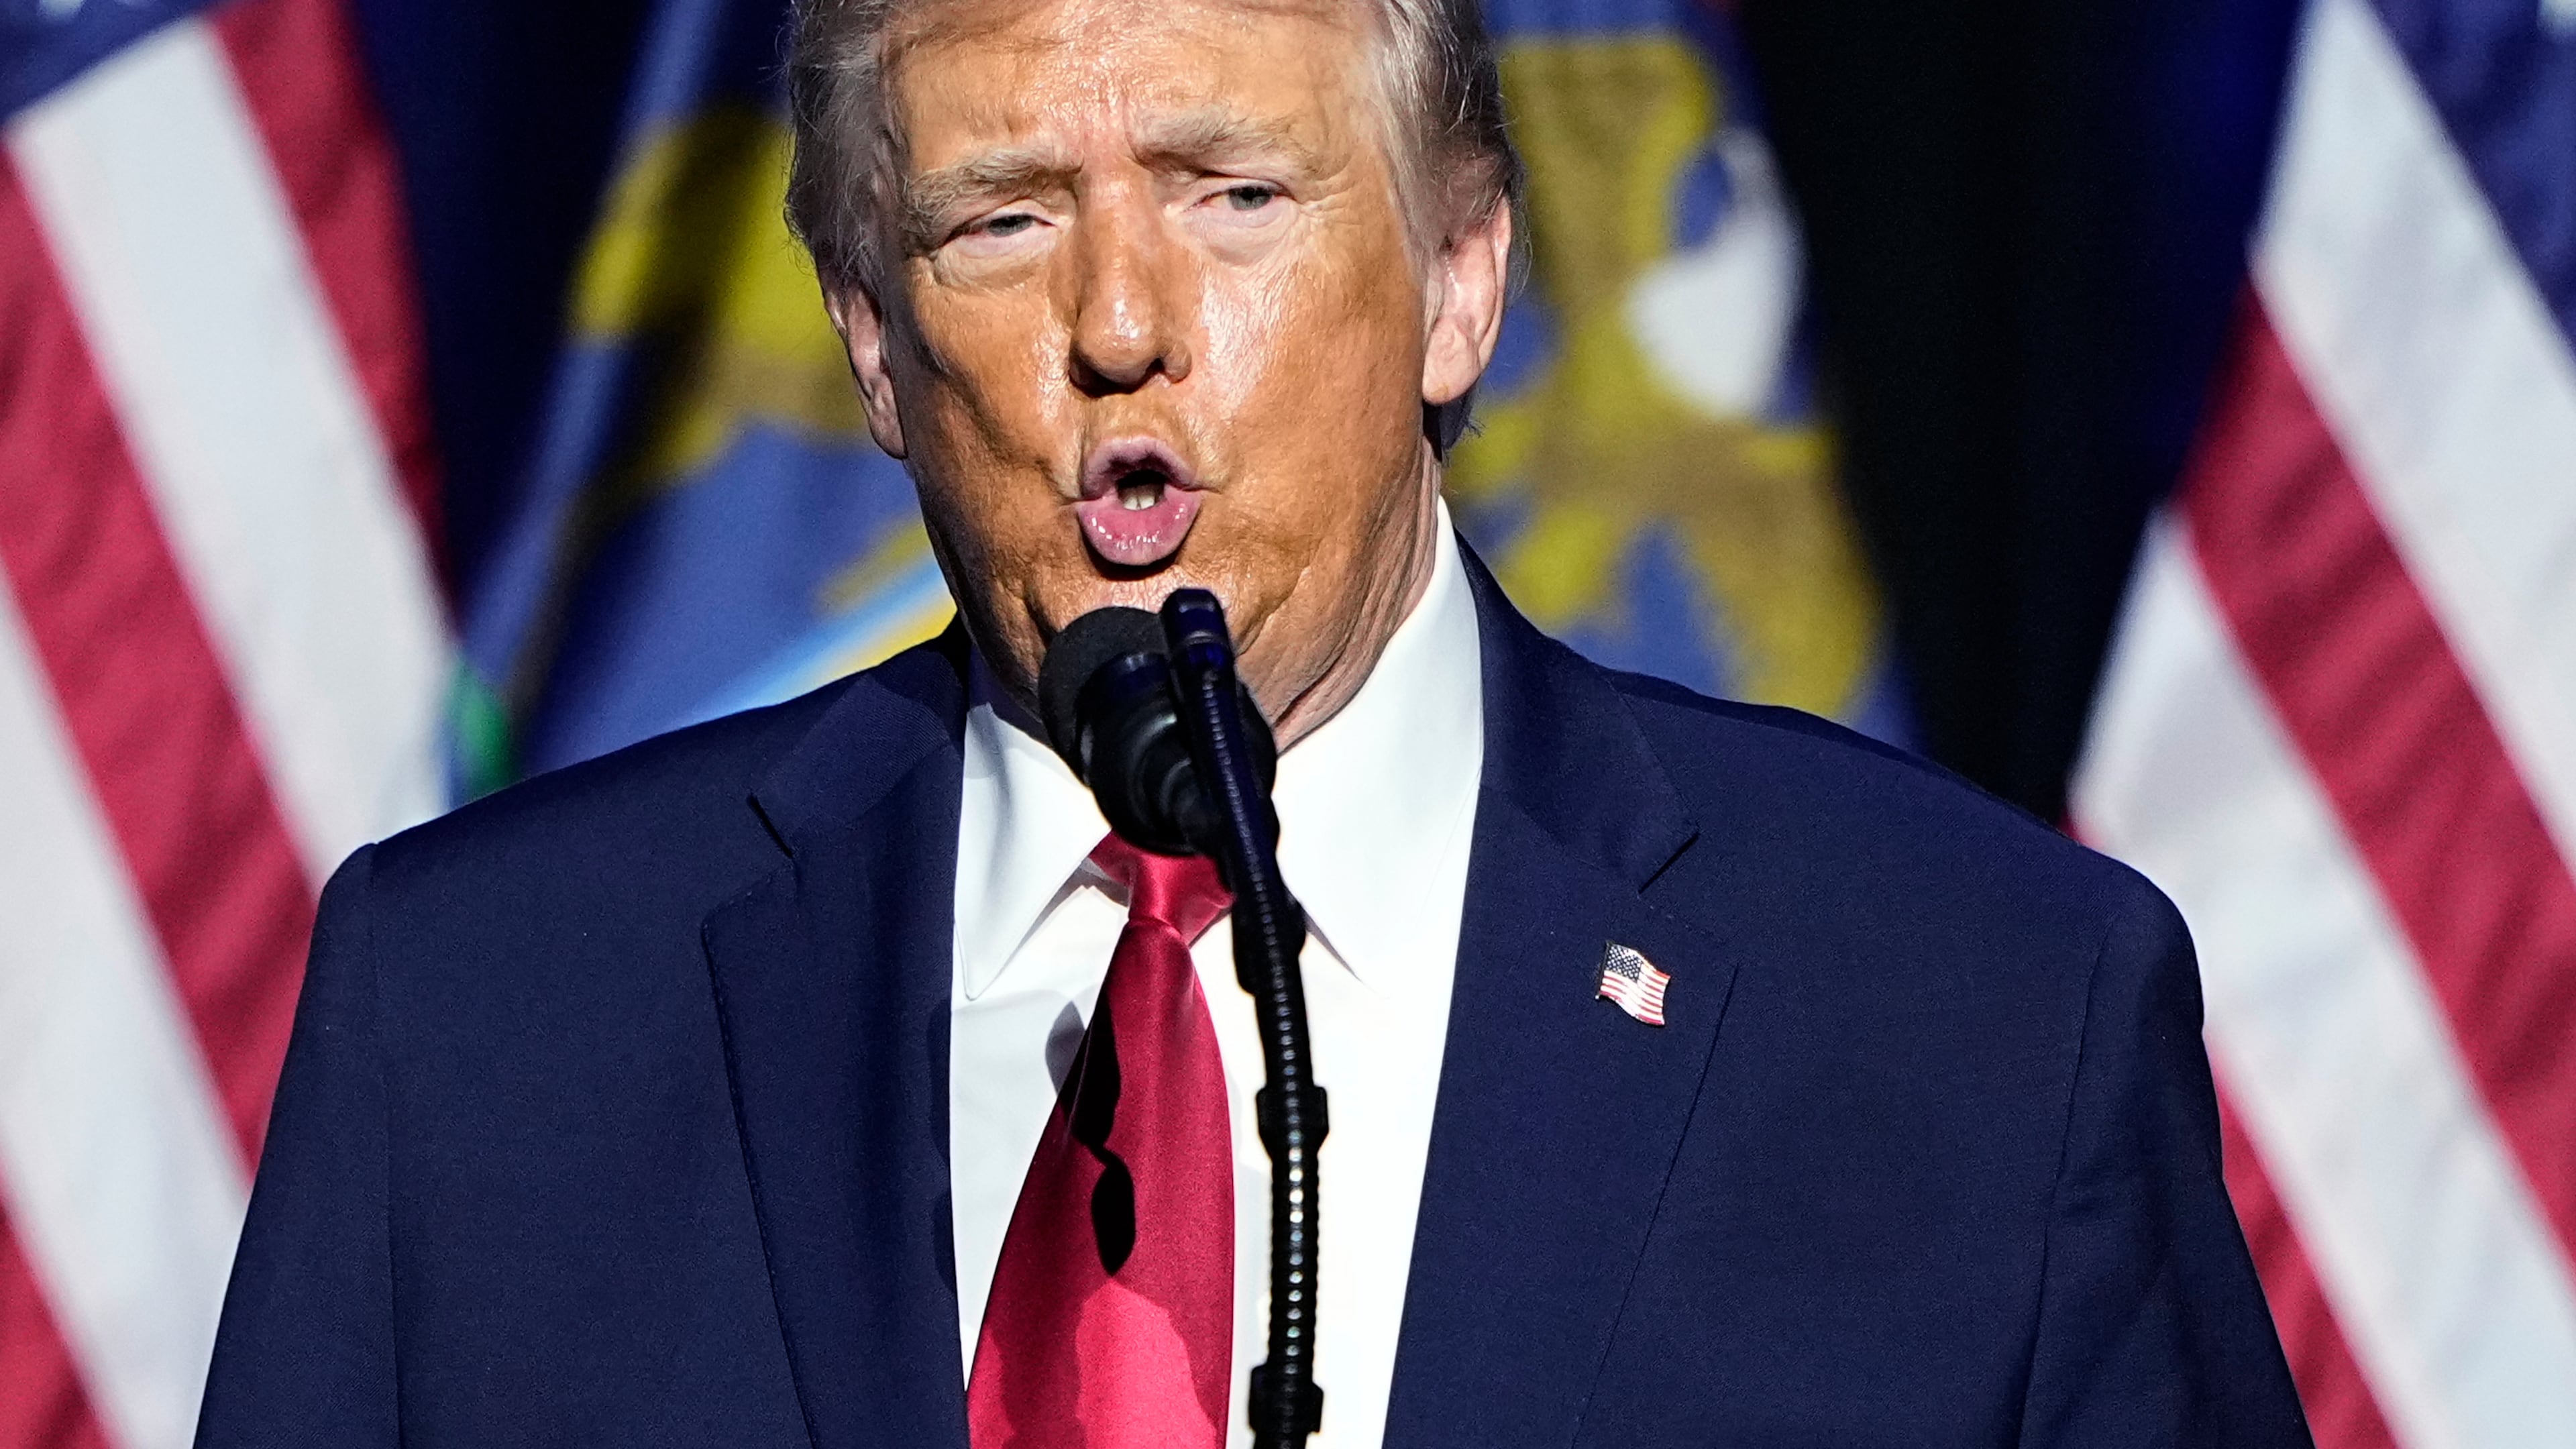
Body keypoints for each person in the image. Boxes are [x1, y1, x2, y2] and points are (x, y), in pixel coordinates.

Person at [197, 0, 2310, 1444]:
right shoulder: (483, 1021)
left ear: (1463, 278)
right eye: (1003, 217)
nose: (1121, 324)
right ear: (872, 344)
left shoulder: (1981, 1019)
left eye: (1233, 194)